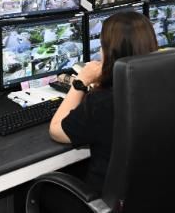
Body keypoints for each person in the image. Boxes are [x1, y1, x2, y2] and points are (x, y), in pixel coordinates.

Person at [49, 11, 159, 193]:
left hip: (109, 200)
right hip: (160, 195)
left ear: (110, 52)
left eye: (102, 46)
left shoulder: (104, 101)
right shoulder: (168, 87)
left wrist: (81, 81)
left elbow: (56, 131)